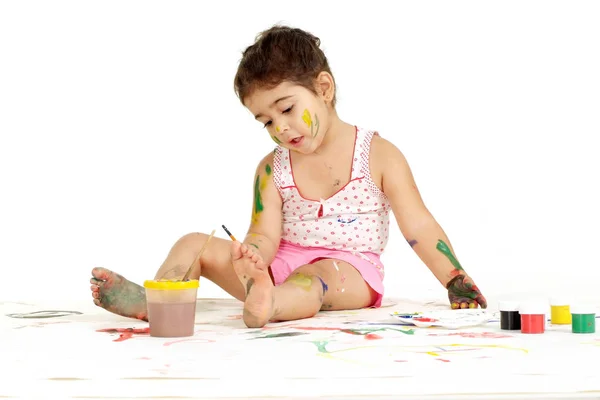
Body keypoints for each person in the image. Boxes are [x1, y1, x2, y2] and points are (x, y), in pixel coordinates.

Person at [90, 25, 487, 329]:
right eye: (266, 121)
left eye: (287, 109)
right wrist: (252, 259)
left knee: (310, 277)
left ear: (324, 88)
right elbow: (264, 235)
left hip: (347, 273)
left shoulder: (378, 155)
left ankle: (272, 305)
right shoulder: (271, 169)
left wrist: (454, 279)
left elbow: (418, 224)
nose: (280, 128)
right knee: (193, 243)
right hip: (276, 270)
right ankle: (160, 303)